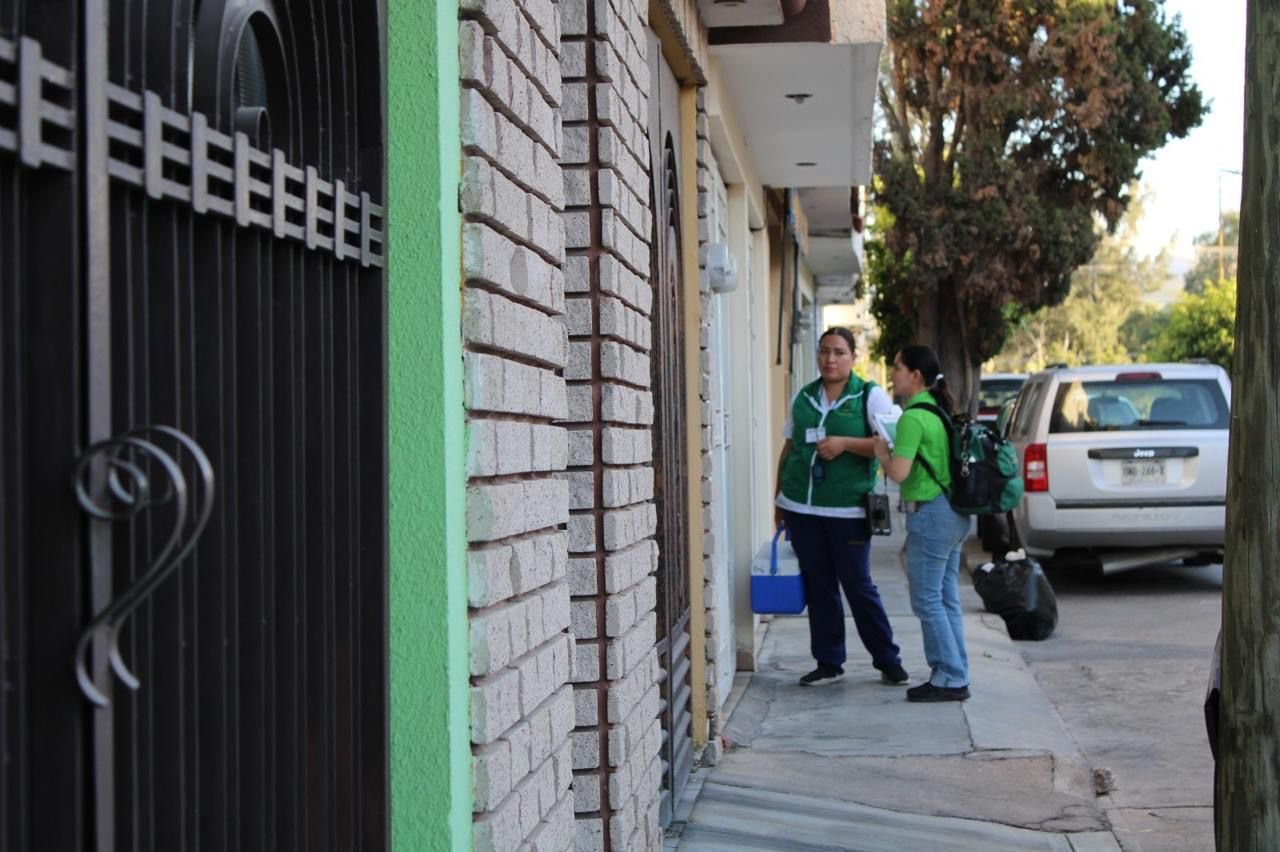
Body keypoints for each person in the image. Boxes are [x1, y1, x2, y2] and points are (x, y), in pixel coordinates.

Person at [774, 327, 908, 687]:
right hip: (803, 508)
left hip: (849, 510)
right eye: (824, 351)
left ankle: (887, 659)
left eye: (838, 352)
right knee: (819, 586)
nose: (830, 359)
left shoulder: (869, 395)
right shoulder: (803, 397)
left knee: (858, 585)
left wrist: (846, 443)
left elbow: (888, 444)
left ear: (853, 357)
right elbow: (789, 449)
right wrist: (779, 499)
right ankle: (829, 662)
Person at [872, 345, 973, 702]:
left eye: (898, 367)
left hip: (930, 515)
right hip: (954, 513)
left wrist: (882, 451)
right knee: (945, 598)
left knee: (927, 600)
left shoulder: (913, 418)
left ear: (916, 376)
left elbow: (899, 472)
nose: (893, 372)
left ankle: (948, 676)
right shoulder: (938, 411)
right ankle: (956, 670)